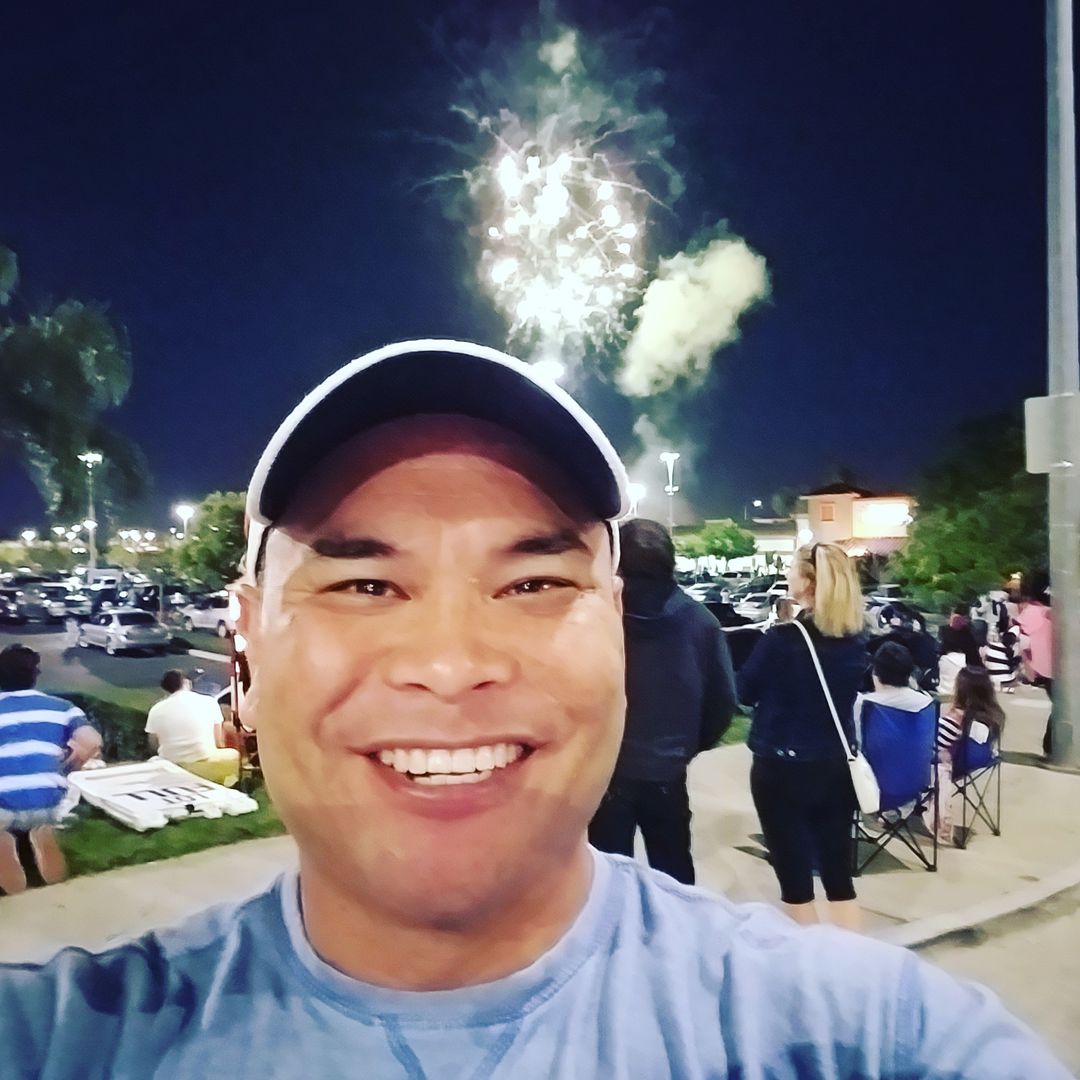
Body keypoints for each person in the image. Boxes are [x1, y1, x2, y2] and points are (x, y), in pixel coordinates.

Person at [0, 340, 1068, 1077]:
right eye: (364, 582)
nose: (450, 664)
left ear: (616, 633)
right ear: (249, 639)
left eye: (534, 582)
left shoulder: (862, 1036)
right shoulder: (66, 1041)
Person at [587, 517, 736, 884]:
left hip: (607, 769)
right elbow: (723, 701)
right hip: (668, 768)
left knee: (607, 879)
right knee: (674, 876)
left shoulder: (598, 618)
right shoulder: (700, 622)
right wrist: (686, 746)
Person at [737, 542, 870, 931]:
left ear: (809, 583)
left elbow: (744, 691)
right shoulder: (855, 639)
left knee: (795, 880)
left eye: (793, 570)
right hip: (836, 766)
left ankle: (810, 962)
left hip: (782, 767)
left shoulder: (782, 639)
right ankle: (852, 958)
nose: (787, 575)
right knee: (839, 878)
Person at [0, 644, 101, 894]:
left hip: (3, 801)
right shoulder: (62, 707)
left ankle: (5, 845)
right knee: (45, 816)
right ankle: (42, 831)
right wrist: (67, 766)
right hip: (49, 799)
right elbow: (92, 742)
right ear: (35, 674)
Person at [936, 666, 1006, 845]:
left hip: (949, 766)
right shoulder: (993, 717)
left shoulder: (956, 719)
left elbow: (934, 745)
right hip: (979, 762)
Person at [145, 669, 240, 787]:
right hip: (203, 761)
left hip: (171, 763)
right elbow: (219, 742)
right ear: (186, 683)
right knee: (234, 755)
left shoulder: (156, 709)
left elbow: (153, 744)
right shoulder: (208, 702)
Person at [1016, 581, 1055, 756]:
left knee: (1061, 706)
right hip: (1052, 668)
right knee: (1063, 707)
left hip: (1046, 668)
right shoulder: (1041, 612)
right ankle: (1051, 747)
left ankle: (1051, 747)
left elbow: (1024, 644)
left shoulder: (1032, 613)